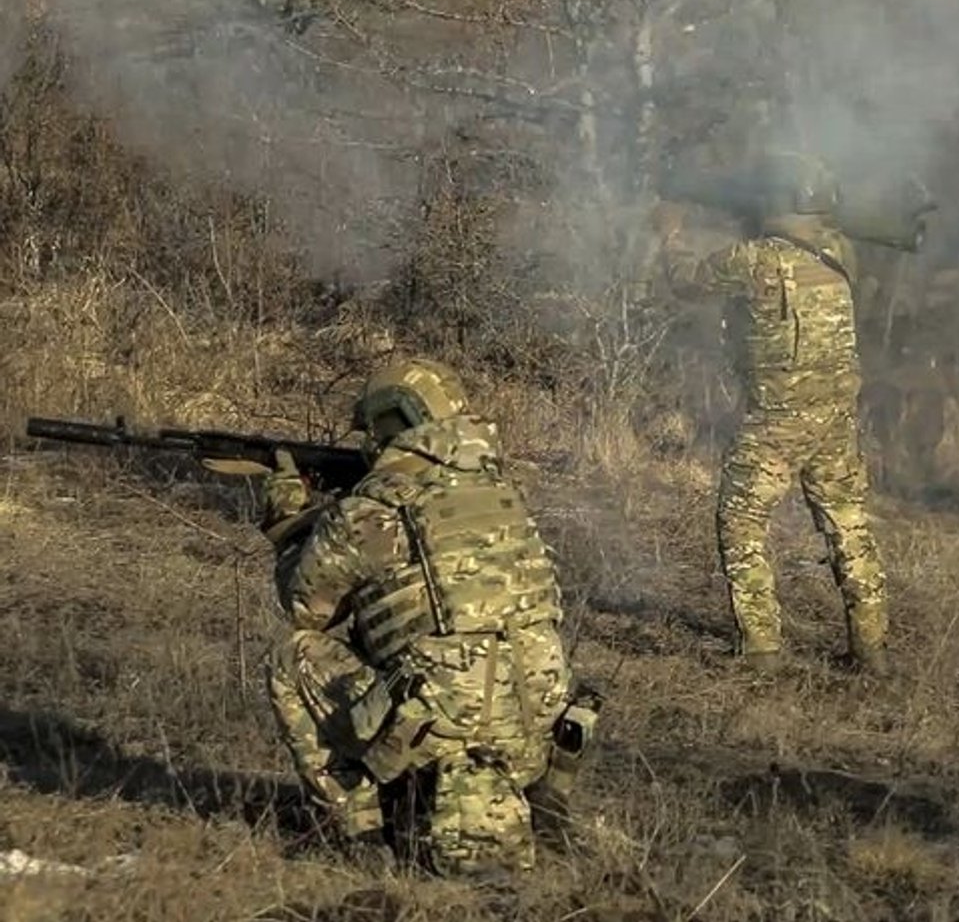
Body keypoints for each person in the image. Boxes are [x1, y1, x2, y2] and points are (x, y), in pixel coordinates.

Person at [259, 357, 595, 876]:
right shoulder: (505, 492)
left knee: (292, 657)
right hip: (536, 742)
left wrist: (289, 521)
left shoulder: (379, 505)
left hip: (432, 737)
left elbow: (307, 606)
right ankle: (534, 808)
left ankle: (357, 832)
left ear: (390, 423)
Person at [651, 151, 890, 673]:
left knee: (740, 518)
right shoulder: (840, 251)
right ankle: (871, 649)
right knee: (848, 522)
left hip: (778, 419)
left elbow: (686, 281)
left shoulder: (754, 259)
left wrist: (670, 232)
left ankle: (760, 646)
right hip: (835, 414)